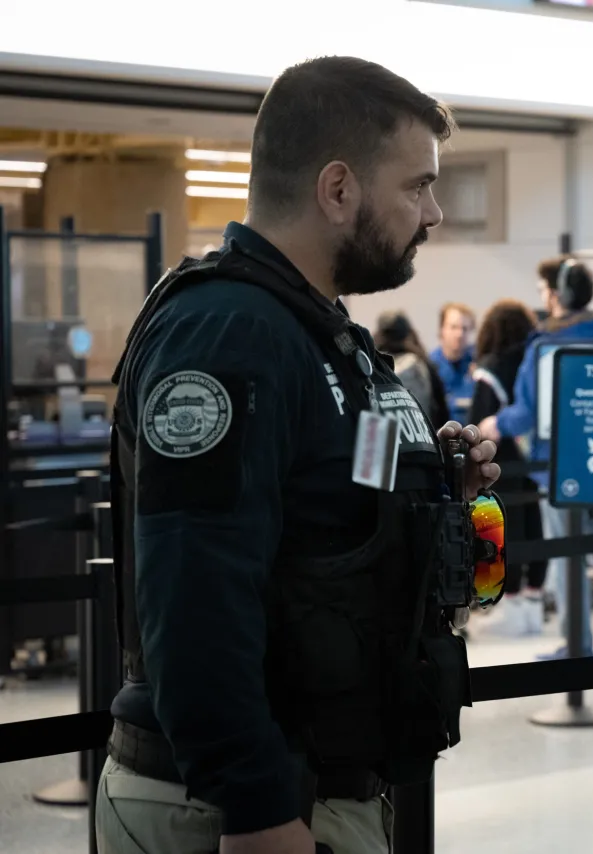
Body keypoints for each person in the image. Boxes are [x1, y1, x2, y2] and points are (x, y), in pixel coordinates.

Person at [97, 56, 500, 854]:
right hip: (234, 808)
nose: (435, 212)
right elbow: (194, 593)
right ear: (339, 189)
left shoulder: (321, 332)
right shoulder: (227, 333)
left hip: (319, 785)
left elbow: (336, 505)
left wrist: (428, 476)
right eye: (416, 186)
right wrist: (256, 811)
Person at [477, 258, 593, 658]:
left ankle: (578, 644)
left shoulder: (544, 345)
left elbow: (528, 413)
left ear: (558, 294)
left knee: (569, 559)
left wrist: (494, 423)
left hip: (557, 469)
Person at [468, 299, 548, 637]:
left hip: (503, 463)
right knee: (534, 526)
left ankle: (511, 600)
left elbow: (477, 422)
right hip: (537, 458)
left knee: (506, 530)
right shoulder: (536, 363)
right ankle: (534, 601)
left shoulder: (491, 367)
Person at [374, 309, 451, 429]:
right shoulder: (423, 363)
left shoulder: (370, 364)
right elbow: (441, 413)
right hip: (423, 439)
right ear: (408, 333)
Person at [430, 302, 476, 423]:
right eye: (454, 327)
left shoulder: (479, 365)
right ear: (442, 329)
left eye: (465, 328)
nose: (459, 334)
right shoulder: (429, 367)